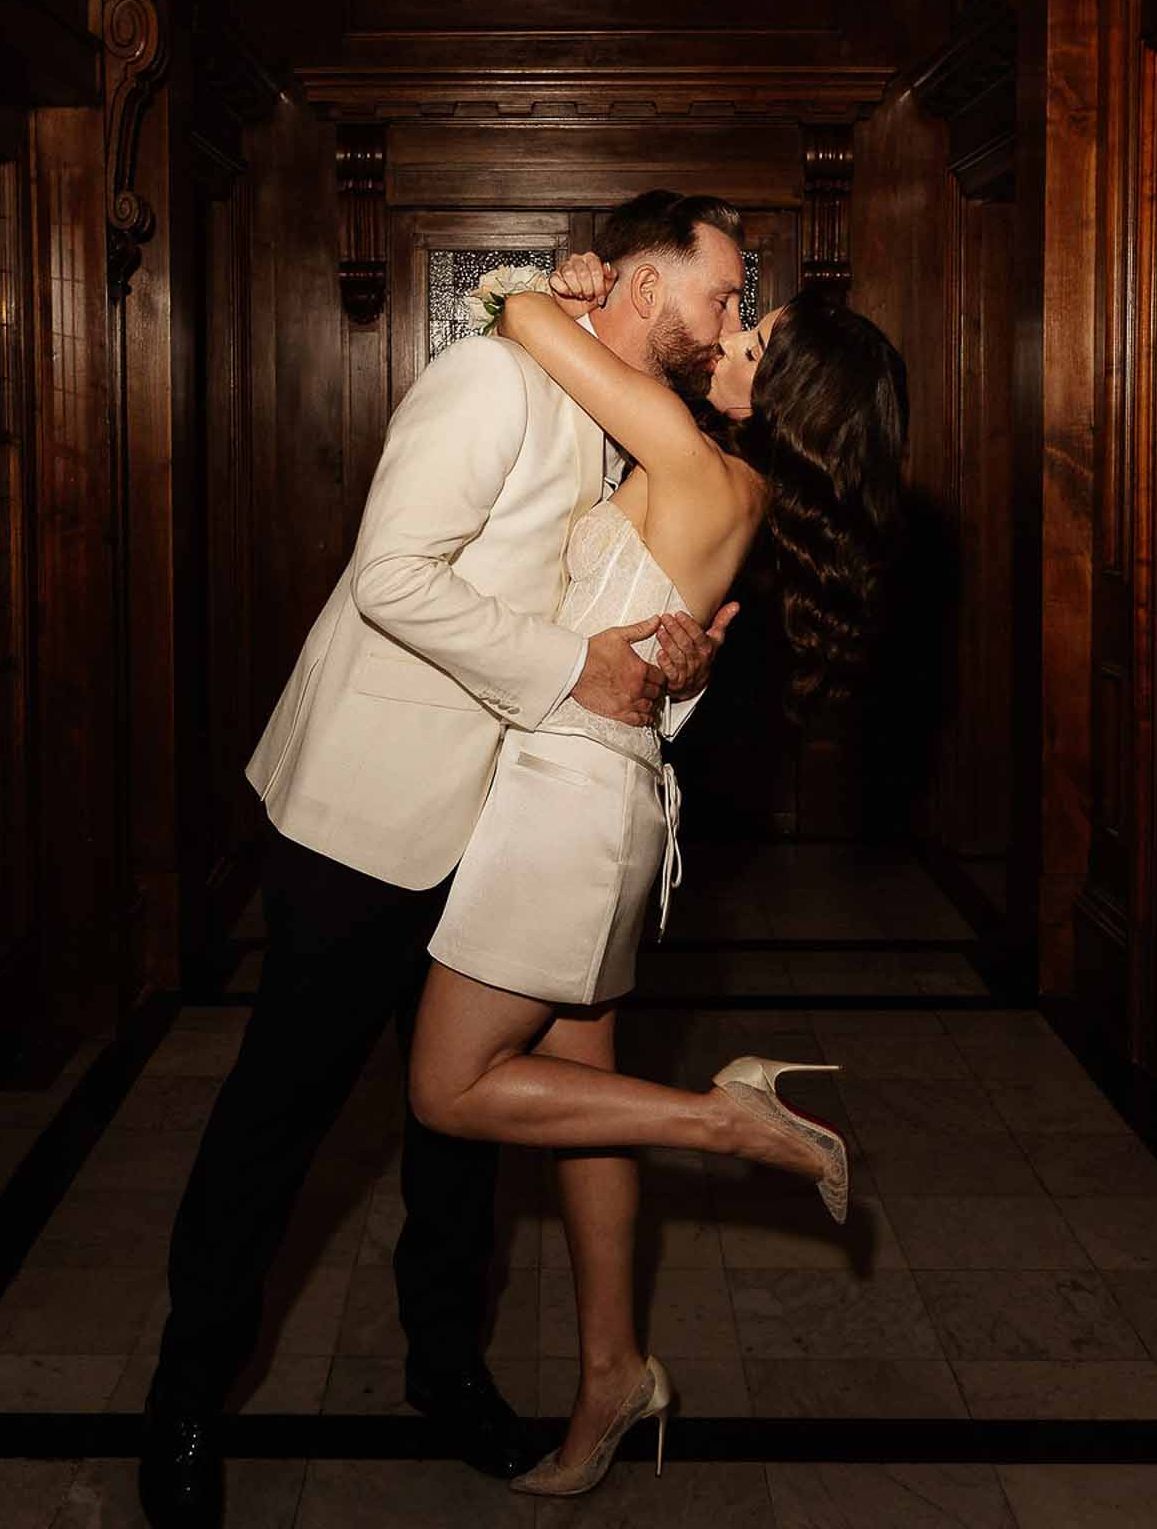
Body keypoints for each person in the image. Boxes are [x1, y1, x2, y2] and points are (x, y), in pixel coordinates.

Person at [138, 192, 747, 1529]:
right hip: (368, 814)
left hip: (508, 827)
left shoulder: (629, 430)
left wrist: (670, 670)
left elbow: (627, 641)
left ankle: (443, 1372)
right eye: (716, 298)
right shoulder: (491, 381)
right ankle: (185, 1401)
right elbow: (390, 577)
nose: (725, 328)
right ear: (644, 291)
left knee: (457, 1130)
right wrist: (571, 667)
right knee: (278, 1118)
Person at [409, 250, 909, 1498]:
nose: (734, 334)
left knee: (446, 1087)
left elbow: (516, 312)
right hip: (613, 797)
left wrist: (557, 276)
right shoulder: (734, 487)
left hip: (566, 809)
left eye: (758, 331)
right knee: (583, 1110)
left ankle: (727, 1120)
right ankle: (613, 1371)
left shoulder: (693, 461)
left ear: (784, 389)